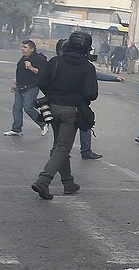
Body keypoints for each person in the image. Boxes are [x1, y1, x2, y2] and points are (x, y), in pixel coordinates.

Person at [29, 32, 99, 200]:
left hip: (52, 107)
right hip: (71, 111)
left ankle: (68, 182)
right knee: (62, 148)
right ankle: (43, 180)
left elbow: (42, 82)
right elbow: (91, 94)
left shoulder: (56, 61)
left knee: (61, 145)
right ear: (87, 48)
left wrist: (54, 95)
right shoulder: (87, 67)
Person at [5, 40, 49, 137]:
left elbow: (43, 73)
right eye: (22, 47)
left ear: (32, 49)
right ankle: (16, 129)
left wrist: (31, 67)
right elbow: (21, 73)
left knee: (28, 107)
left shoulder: (39, 59)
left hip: (31, 87)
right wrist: (16, 83)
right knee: (16, 108)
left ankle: (43, 123)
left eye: (25, 47)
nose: (22, 49)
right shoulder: (23, 58)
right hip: (20, 87)